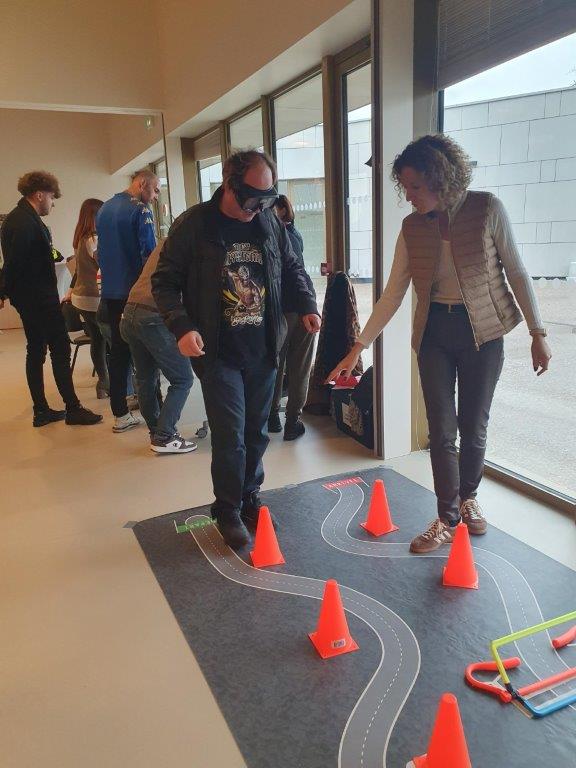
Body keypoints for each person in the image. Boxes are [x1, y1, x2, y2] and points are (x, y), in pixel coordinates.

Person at [327, 134, 552, 554]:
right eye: (405, 187)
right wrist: (358, 348)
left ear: (440, 178)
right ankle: (446, 518)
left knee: (474, 425)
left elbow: (517, 272)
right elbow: (393, 294)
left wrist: (538, 334)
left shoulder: (487, 209)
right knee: (442, 429)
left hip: (483, 334)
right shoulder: (412, 228)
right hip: (434, 335)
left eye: (415, 186)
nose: (409, 196)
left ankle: (469, 499)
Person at [152, 150, 320, 549]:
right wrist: (182, 326)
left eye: (267, 198)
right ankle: (226, 508)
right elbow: (164, 281)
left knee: (256, 432)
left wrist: (308, 304)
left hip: (263, 347)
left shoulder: (268, 221)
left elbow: (292, 267)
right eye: (251, 198)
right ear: (229, 185)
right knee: (230, 436)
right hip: (218, 351)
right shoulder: (196, 224)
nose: (258, 207)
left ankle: (249, 497)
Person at [0, 171, 102, 427]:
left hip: (32, 297)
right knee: (59, 348)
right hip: (37, 298)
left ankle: (42, 410)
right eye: (51, 197)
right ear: (39, 195)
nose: (52, 203)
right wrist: (2, 291)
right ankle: (72, 408)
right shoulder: (24, 222)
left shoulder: (21, 218)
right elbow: (14, 263)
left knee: (36, 350)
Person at [96, 169, 159, 432]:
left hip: (111, 291)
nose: (155, 196)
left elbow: (100, 253)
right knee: (148, 351)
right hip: (136, 293)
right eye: (155, 189)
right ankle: (155, 408)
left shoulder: (104, 209)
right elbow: (150, 254)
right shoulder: (140, 210)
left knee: (119, 351)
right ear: (142, 184)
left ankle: (120, 412)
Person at [120, 242, 196, 454]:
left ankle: (156, 433)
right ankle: (165, 435)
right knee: (183, 379)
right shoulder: (193, 246)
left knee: (146, 378)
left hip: (130, 312)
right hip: (154, 316)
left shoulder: (164, 243)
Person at [267, 194, 315, 440]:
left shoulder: (268, 237)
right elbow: (300, 272)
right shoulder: (295, 235)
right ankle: (293, 421)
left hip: (280, 310)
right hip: (304, 307)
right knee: (300, 368)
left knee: (275, 365)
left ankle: (272, 416)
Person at [70, 198, 109, 399]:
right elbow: (106, 264)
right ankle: (111, 383)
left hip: (81, 298)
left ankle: (103, 383)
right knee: (112, 340)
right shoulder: (94, 239)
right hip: (95, 298)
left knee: (97, 340)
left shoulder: (80, 238)